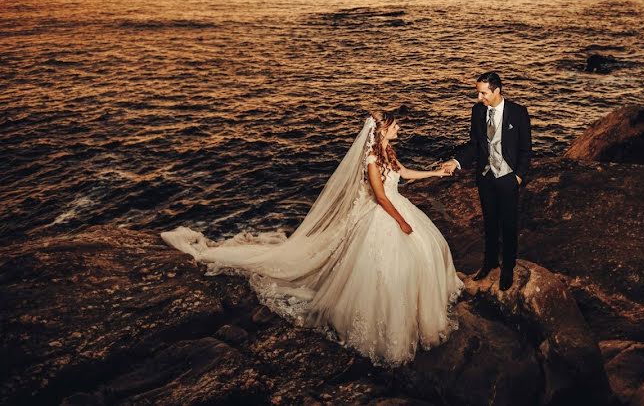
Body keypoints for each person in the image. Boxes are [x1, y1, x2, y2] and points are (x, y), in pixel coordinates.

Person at [161, 111, 463, 366]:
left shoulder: (387, 152)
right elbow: (382, 198)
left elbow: (405, 174)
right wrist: (401, 222)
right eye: (395, 125)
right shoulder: (371, 160)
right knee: (383, 270)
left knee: (422, 254)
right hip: (386, 215)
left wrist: (434, 174)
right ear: (383, 129)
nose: (399, 128)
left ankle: (413, 313)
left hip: (397, 208)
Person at [441, 72, 532, 291]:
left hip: (508, 178)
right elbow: (475, 144)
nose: (479, 97)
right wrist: (456, 161)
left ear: (497, 90)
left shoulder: (519, 113)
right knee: (490, 223)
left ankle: (508, 267)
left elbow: (526, 149)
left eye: (483, 93)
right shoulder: (477, 111)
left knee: (508, 224)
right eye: (478, 93)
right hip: (485, 177)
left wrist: (518, 177)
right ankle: (490, 262)